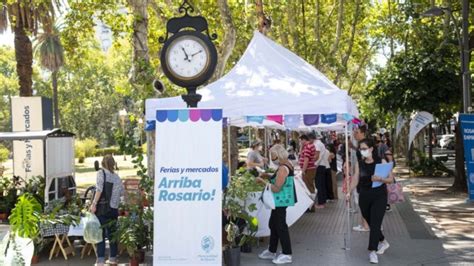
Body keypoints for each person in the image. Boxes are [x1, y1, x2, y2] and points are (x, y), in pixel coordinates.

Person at [346, 139, 393, 264]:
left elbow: (391, 179)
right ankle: (383, 241)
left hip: (379, 196)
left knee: (376, 223)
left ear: (371, 149)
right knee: (372, 223)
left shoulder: (381, 161)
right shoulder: (359, 163)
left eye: (365, 148)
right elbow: (355, 178)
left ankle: (372, 251)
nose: (363, 151)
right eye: (361, 149)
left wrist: (381, 179)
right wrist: (349, 191)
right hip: (364, 196)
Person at [257, 144, 295, 264]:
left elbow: (277, 188)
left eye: (273, 156)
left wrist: (262, 181)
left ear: (278, 155)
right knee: (273, 224)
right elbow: (278, 178)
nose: (272, 158)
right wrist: (268, 175)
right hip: (280, 201)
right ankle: (272, 250)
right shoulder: (287, 164)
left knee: (280, 226)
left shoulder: (283, 168)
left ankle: (287, 253)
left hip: (280, 200)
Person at [90, 155, 125, 266]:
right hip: (113, 209)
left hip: (102, 208)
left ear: (103, 163)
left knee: (100, 234)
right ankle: (113, 258)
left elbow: (99, 189)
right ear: (113, 164)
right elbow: (122, 193)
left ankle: (100, 260)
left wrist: (94, 204)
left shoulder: (101, 173)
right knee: (112, 234)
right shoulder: (117, 177)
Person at [298, 134, 316, 211]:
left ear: (304, 140)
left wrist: (303, 171)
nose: (300, 142)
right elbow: (301, 154)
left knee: (308, 187)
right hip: (310, 169)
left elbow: (306, 160)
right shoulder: (309, 146)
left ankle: (311, 206)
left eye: (300, 141)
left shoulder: (308, 147)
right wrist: (301, 147)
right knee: (309, 186)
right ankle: (310, 205)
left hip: (308, 169)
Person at [312, 132, 328, 208]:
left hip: (319, 166)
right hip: (322, 166)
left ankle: (321, 203)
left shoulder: (317, 144)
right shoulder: (320, 143)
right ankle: (323, 202)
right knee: (321, 184)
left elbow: (317, 156)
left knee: (319, 185)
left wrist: (314, 164)